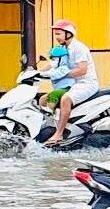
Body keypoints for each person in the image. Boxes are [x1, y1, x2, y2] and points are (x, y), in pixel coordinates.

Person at [43, 20, 100, 148]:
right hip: (73, 84)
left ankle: (59, 133)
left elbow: (82, 70)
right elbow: (53, 64)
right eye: (55, 34)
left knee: (65, 99)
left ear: (68, 34)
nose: (56, 37)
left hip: (87, 84)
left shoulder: (79, 48)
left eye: (59, 34)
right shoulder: (62, 49)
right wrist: (36, 73)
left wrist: (60, 74)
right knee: (43, 99)